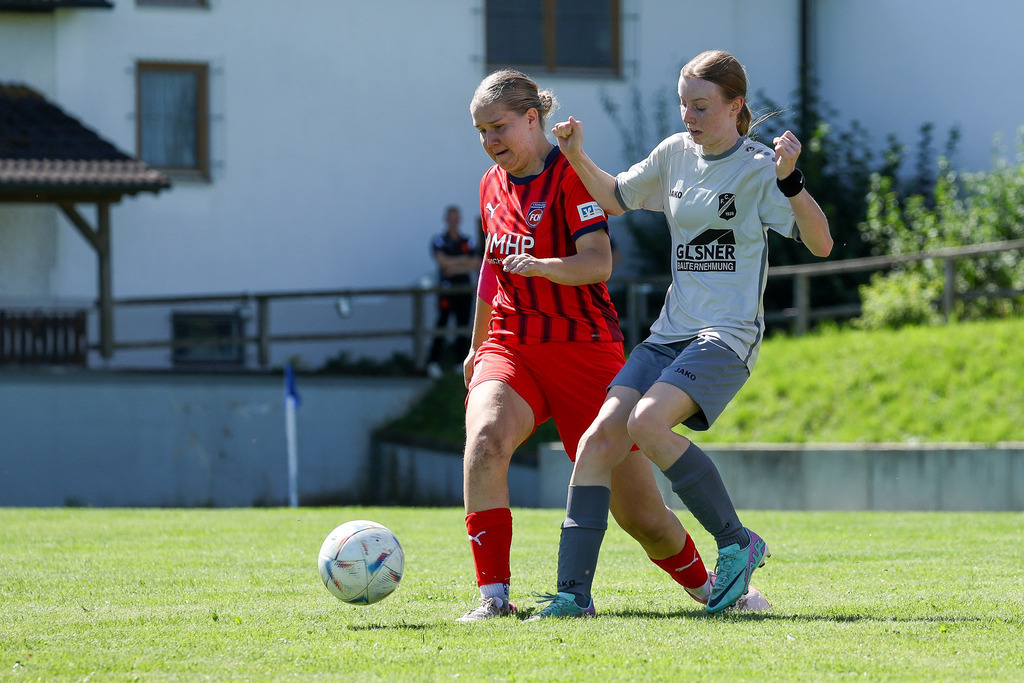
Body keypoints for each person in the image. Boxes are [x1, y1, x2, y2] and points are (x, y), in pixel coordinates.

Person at [528, 49, 833, 620]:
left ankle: (737, 542)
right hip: (671, 331)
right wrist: (575, 155)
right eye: (683, 105)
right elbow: (616, 199)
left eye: (701, 106)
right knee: (597, 442)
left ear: (735, 106)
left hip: (727, 335)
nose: (688, 117)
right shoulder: (673, 153)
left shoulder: (758, 167)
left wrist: (792, 181)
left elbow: (821, 244)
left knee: (646, 423)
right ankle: (572, 596)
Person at [457, 68, 765, 623]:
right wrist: (477, 346)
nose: (490, 140)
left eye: (498, 127)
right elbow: (491, 267)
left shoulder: (570, 176)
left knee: (641, 516)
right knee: (484, 440)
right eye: (481, 131)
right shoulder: (489, 185)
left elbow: (599, 263)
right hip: (512, 342)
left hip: (584, 350)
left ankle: (718, 589)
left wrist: (543, 267)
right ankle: (494, 597)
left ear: (532, 118)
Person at [426, 205, 480, 379]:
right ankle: (433, 362)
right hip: (447, 290)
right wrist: (463, 262)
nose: (454, 221)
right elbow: (442, 262)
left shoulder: (468, 241)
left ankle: (460, 362)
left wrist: (454, 265)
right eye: (451, 217)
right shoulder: (439, 240)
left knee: (463, 324)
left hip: (464, 289)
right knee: (442, 323)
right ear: (446, 219)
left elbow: (475, 262)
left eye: (457, 217)